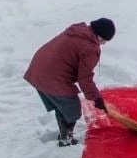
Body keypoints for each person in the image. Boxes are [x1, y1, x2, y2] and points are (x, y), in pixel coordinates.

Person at [24, 18, 116, 147]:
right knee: (73, 111)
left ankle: (64, 132)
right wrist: (96, 98)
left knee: (62, 106)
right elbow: (85, 79)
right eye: (104, 40)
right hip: (52, 77)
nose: (103, 44)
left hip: (37, 69)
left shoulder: (78, 31)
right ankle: (66, 139)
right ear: (99, 36)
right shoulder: (90, 48)